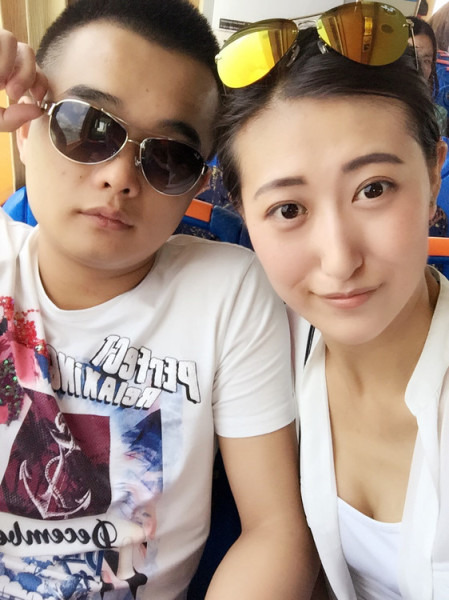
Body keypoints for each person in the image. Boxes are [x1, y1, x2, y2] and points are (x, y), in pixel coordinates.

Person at [0, 0, 321, 598]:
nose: (120, 177)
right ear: (25, 129)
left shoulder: (226, 292)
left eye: (168, 157)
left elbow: (275, 529)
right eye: (89, 127)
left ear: (198, 183)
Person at [216, 2, 449, 598]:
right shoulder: (260, 351)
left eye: (373, 189)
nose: (340, 259)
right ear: (243, 215)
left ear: (433, 176)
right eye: (288, 209)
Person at [408, 15, 448, 135]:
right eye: (410, 55)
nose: (419, 66)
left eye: (427, 60)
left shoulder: (436, 116)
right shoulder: (367, 104)